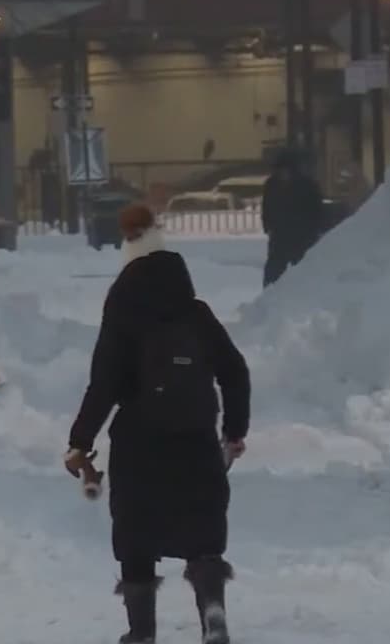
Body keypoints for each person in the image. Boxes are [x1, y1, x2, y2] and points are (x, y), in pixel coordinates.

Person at [64, 204, 251, 644]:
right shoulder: (197, 315)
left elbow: (104, 385)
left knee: (136, 535)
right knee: (203, 535)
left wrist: (80, 441)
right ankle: (213, 613)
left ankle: (142, 632)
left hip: (139, 443)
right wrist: (235, 430)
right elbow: (235, 371)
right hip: (197, 437)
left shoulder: (123, 315)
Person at [260, 146, 324, 287]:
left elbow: (316, 210)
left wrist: (313, 230)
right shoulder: (271, 184)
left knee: (303, 267)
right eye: (280, 170)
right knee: (274, 269)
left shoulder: (307, 185)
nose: (283, 173)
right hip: (279, 234)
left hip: (301, 236)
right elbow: (266, 206)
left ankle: (303, 293)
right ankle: (270, 293)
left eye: (286, 170)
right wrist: (267, 225)